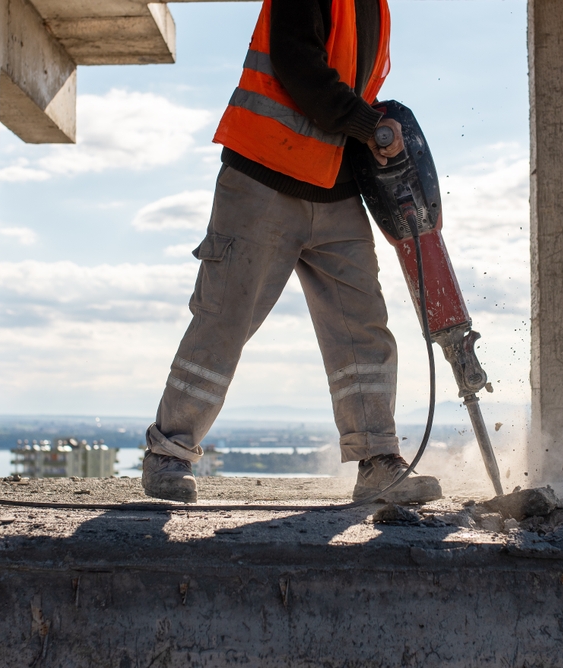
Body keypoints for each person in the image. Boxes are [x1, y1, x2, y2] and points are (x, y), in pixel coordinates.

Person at [141, 0, 442, 505]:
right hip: (264, 176)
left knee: (361, 326)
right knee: (225, 317)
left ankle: (377, 460)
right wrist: (368, 127)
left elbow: (349, 88)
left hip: (335, 187)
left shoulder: (375, 8)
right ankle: (169, 453)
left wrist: (371, 130)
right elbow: (295, 61)